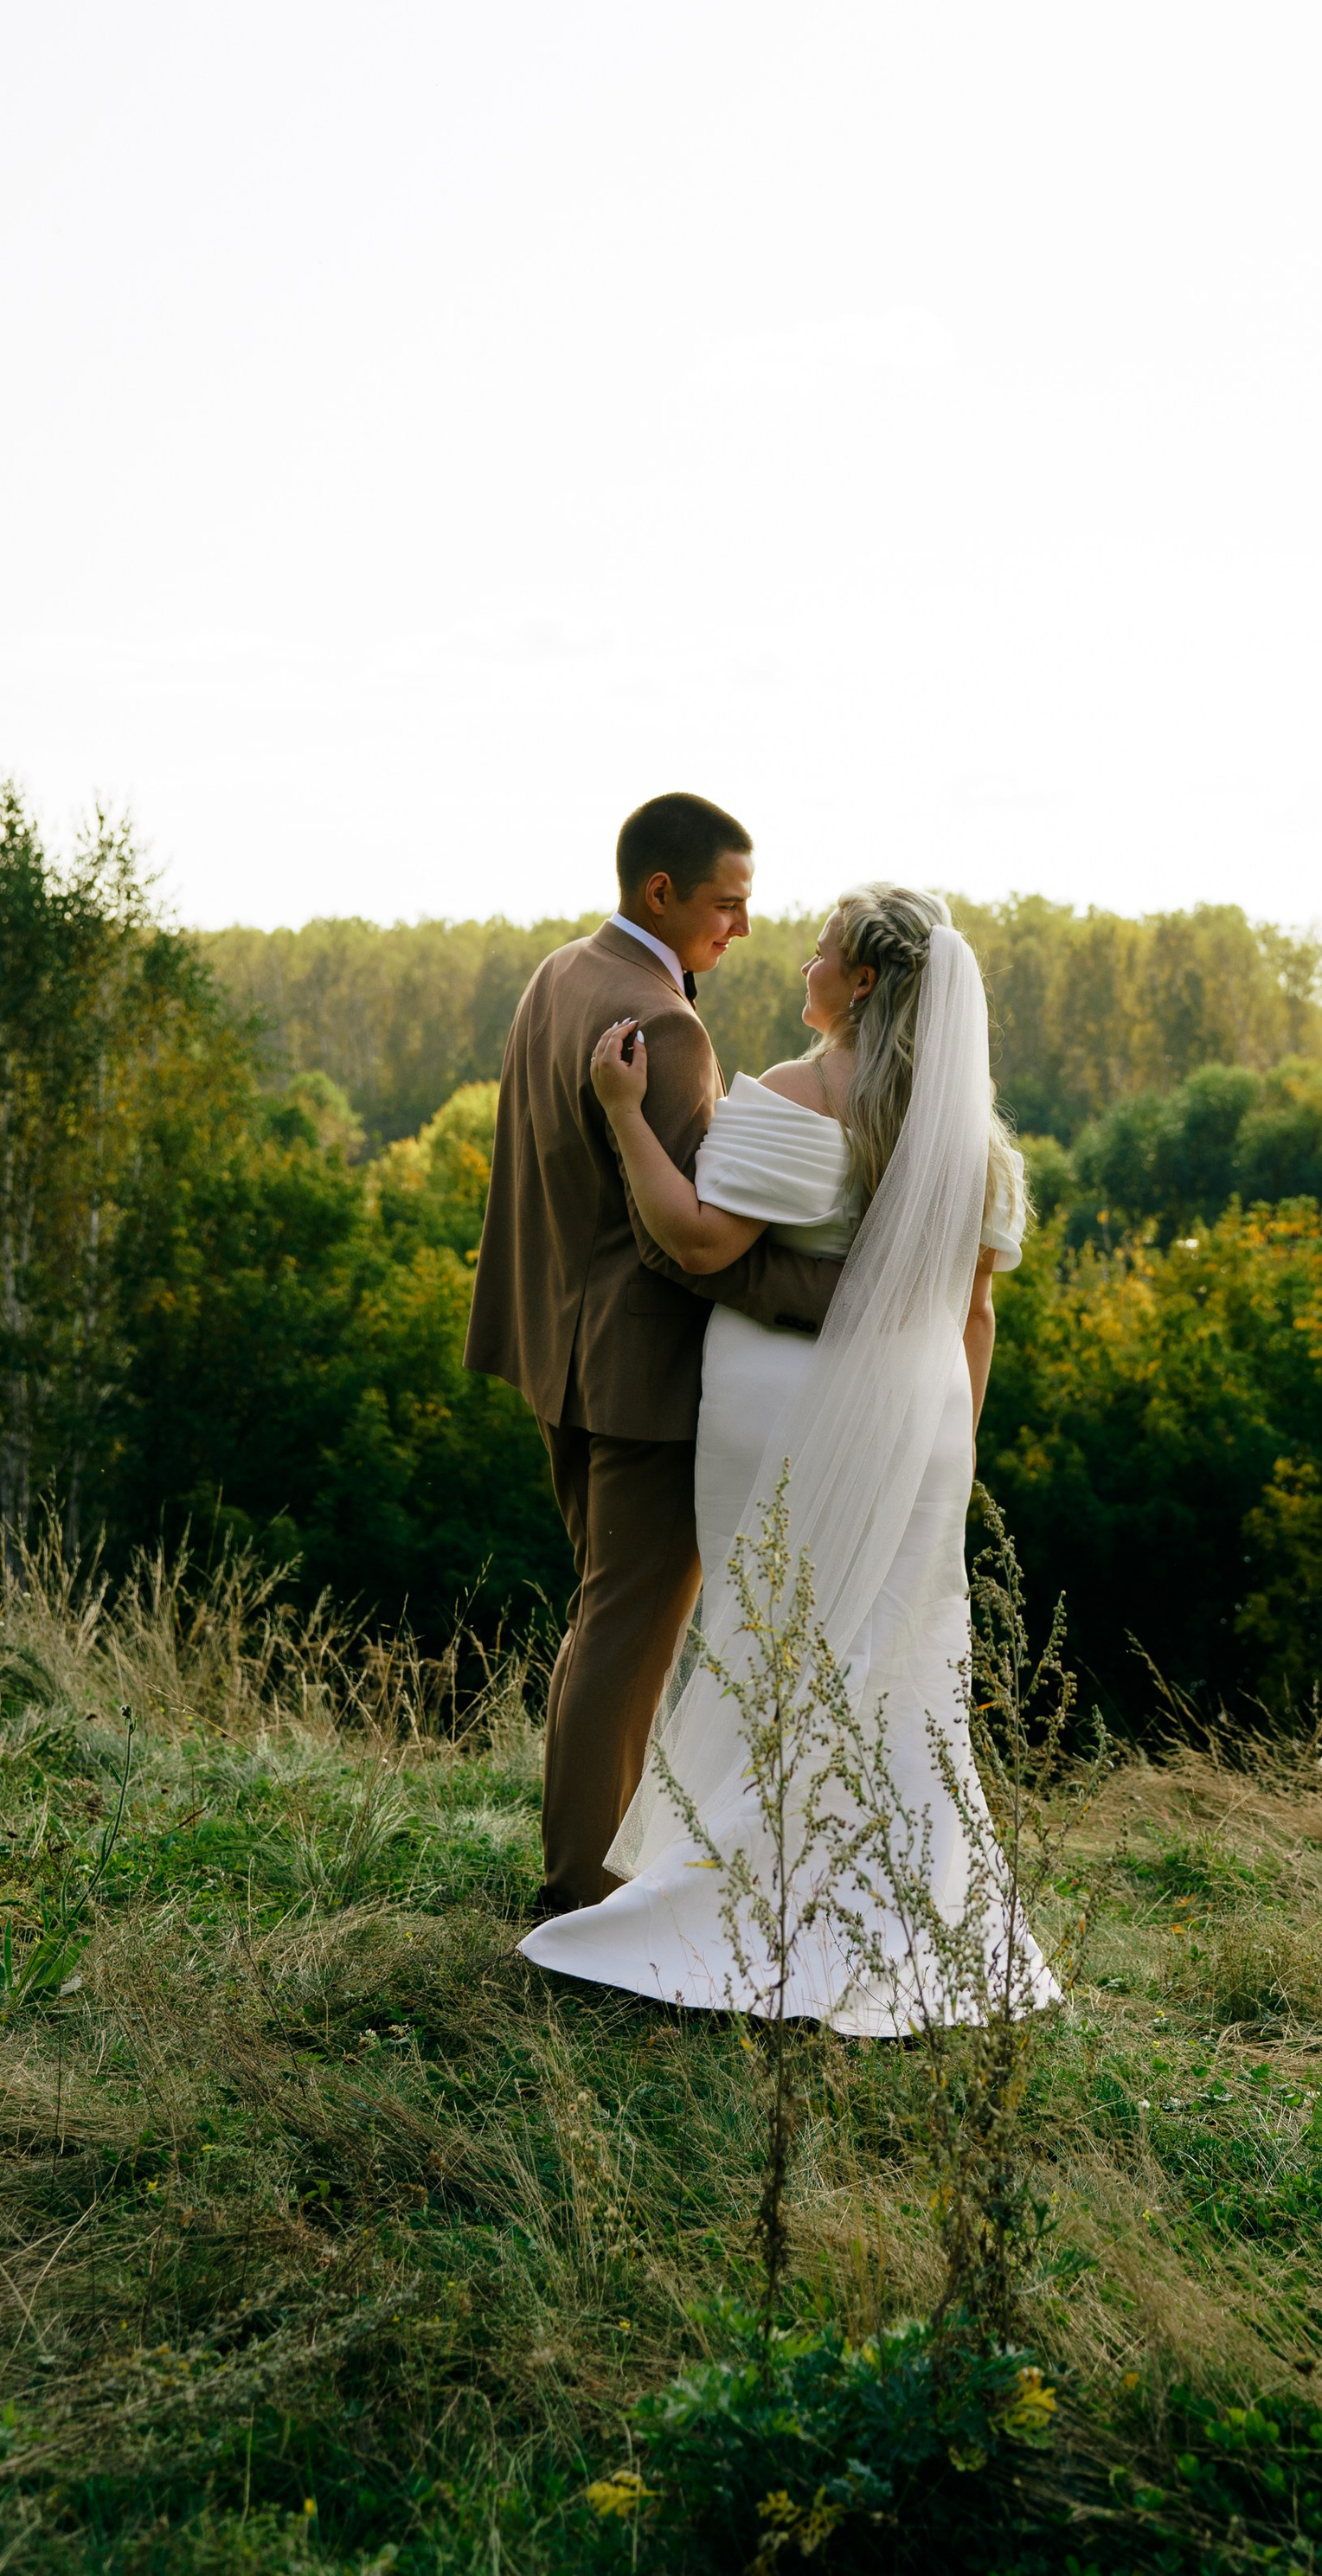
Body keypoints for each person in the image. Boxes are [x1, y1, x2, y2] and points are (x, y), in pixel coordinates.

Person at [519, 885, 1057, 2035]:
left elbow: (698, 1238)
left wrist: (625, 1114)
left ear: (860, 983)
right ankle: (894, 1908)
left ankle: (742, 1900)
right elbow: (974, 1317)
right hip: (923, 1428)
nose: (800, 966)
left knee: (771, 1648)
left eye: (820, 953)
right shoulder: (971, 1142)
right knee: (891, 1658)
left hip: (783, 1420)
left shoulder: (791, 1096)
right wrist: (952, 1452)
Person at [465, 793, 842, 1918]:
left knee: (606, 1619)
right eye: (727, 904)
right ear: (661, 891)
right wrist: (842, 1296)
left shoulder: (562, 973)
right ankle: (581, 1895)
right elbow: (688, 1246)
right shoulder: (663, 1027)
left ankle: (581, 1867)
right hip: (638, 1379)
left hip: (558, 1350)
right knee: (628, 1635)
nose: (743, 927)